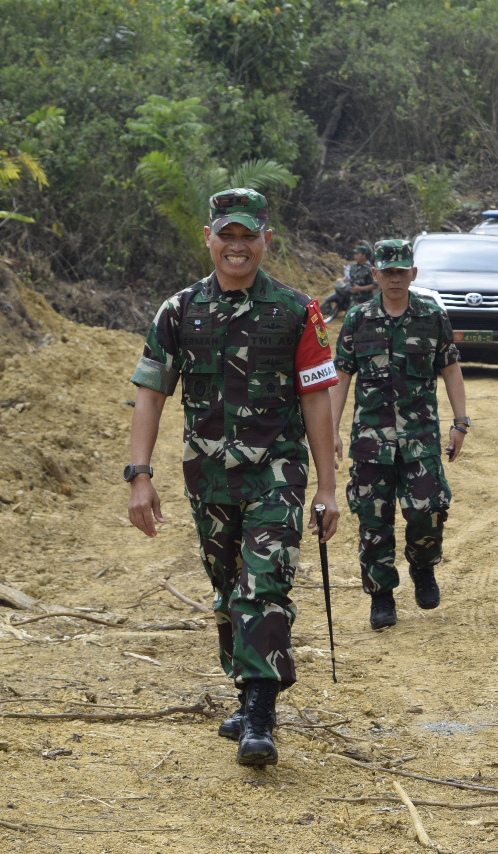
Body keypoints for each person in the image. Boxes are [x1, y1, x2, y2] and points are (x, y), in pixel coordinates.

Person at [126, 188, 340, 767]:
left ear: (267, 240)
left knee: (263, 584)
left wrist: (325, 487)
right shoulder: (179, 310)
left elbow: (318, 399)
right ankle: (247, 695)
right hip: (210, 477)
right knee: (227, 591)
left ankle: (262, 716)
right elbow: (151, 393)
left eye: (249, 236)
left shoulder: (299, 311)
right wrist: (139, 474)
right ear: (209, 238)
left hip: (278, 471)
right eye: (228, 235)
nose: (238, 247)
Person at [330, 239, 468, 630]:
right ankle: (381, 595)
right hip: (370, 442)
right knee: (373, 520)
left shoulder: (432, 317)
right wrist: (332, 431)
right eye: (387, 271)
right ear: (374, 275)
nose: (394, 278)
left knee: (427, 509)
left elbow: (451, 370)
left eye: (401, 271)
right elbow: (341, 376)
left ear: (413, 274)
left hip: (420, 437)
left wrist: (460, 422)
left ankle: (423, 567)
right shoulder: (357, 320)